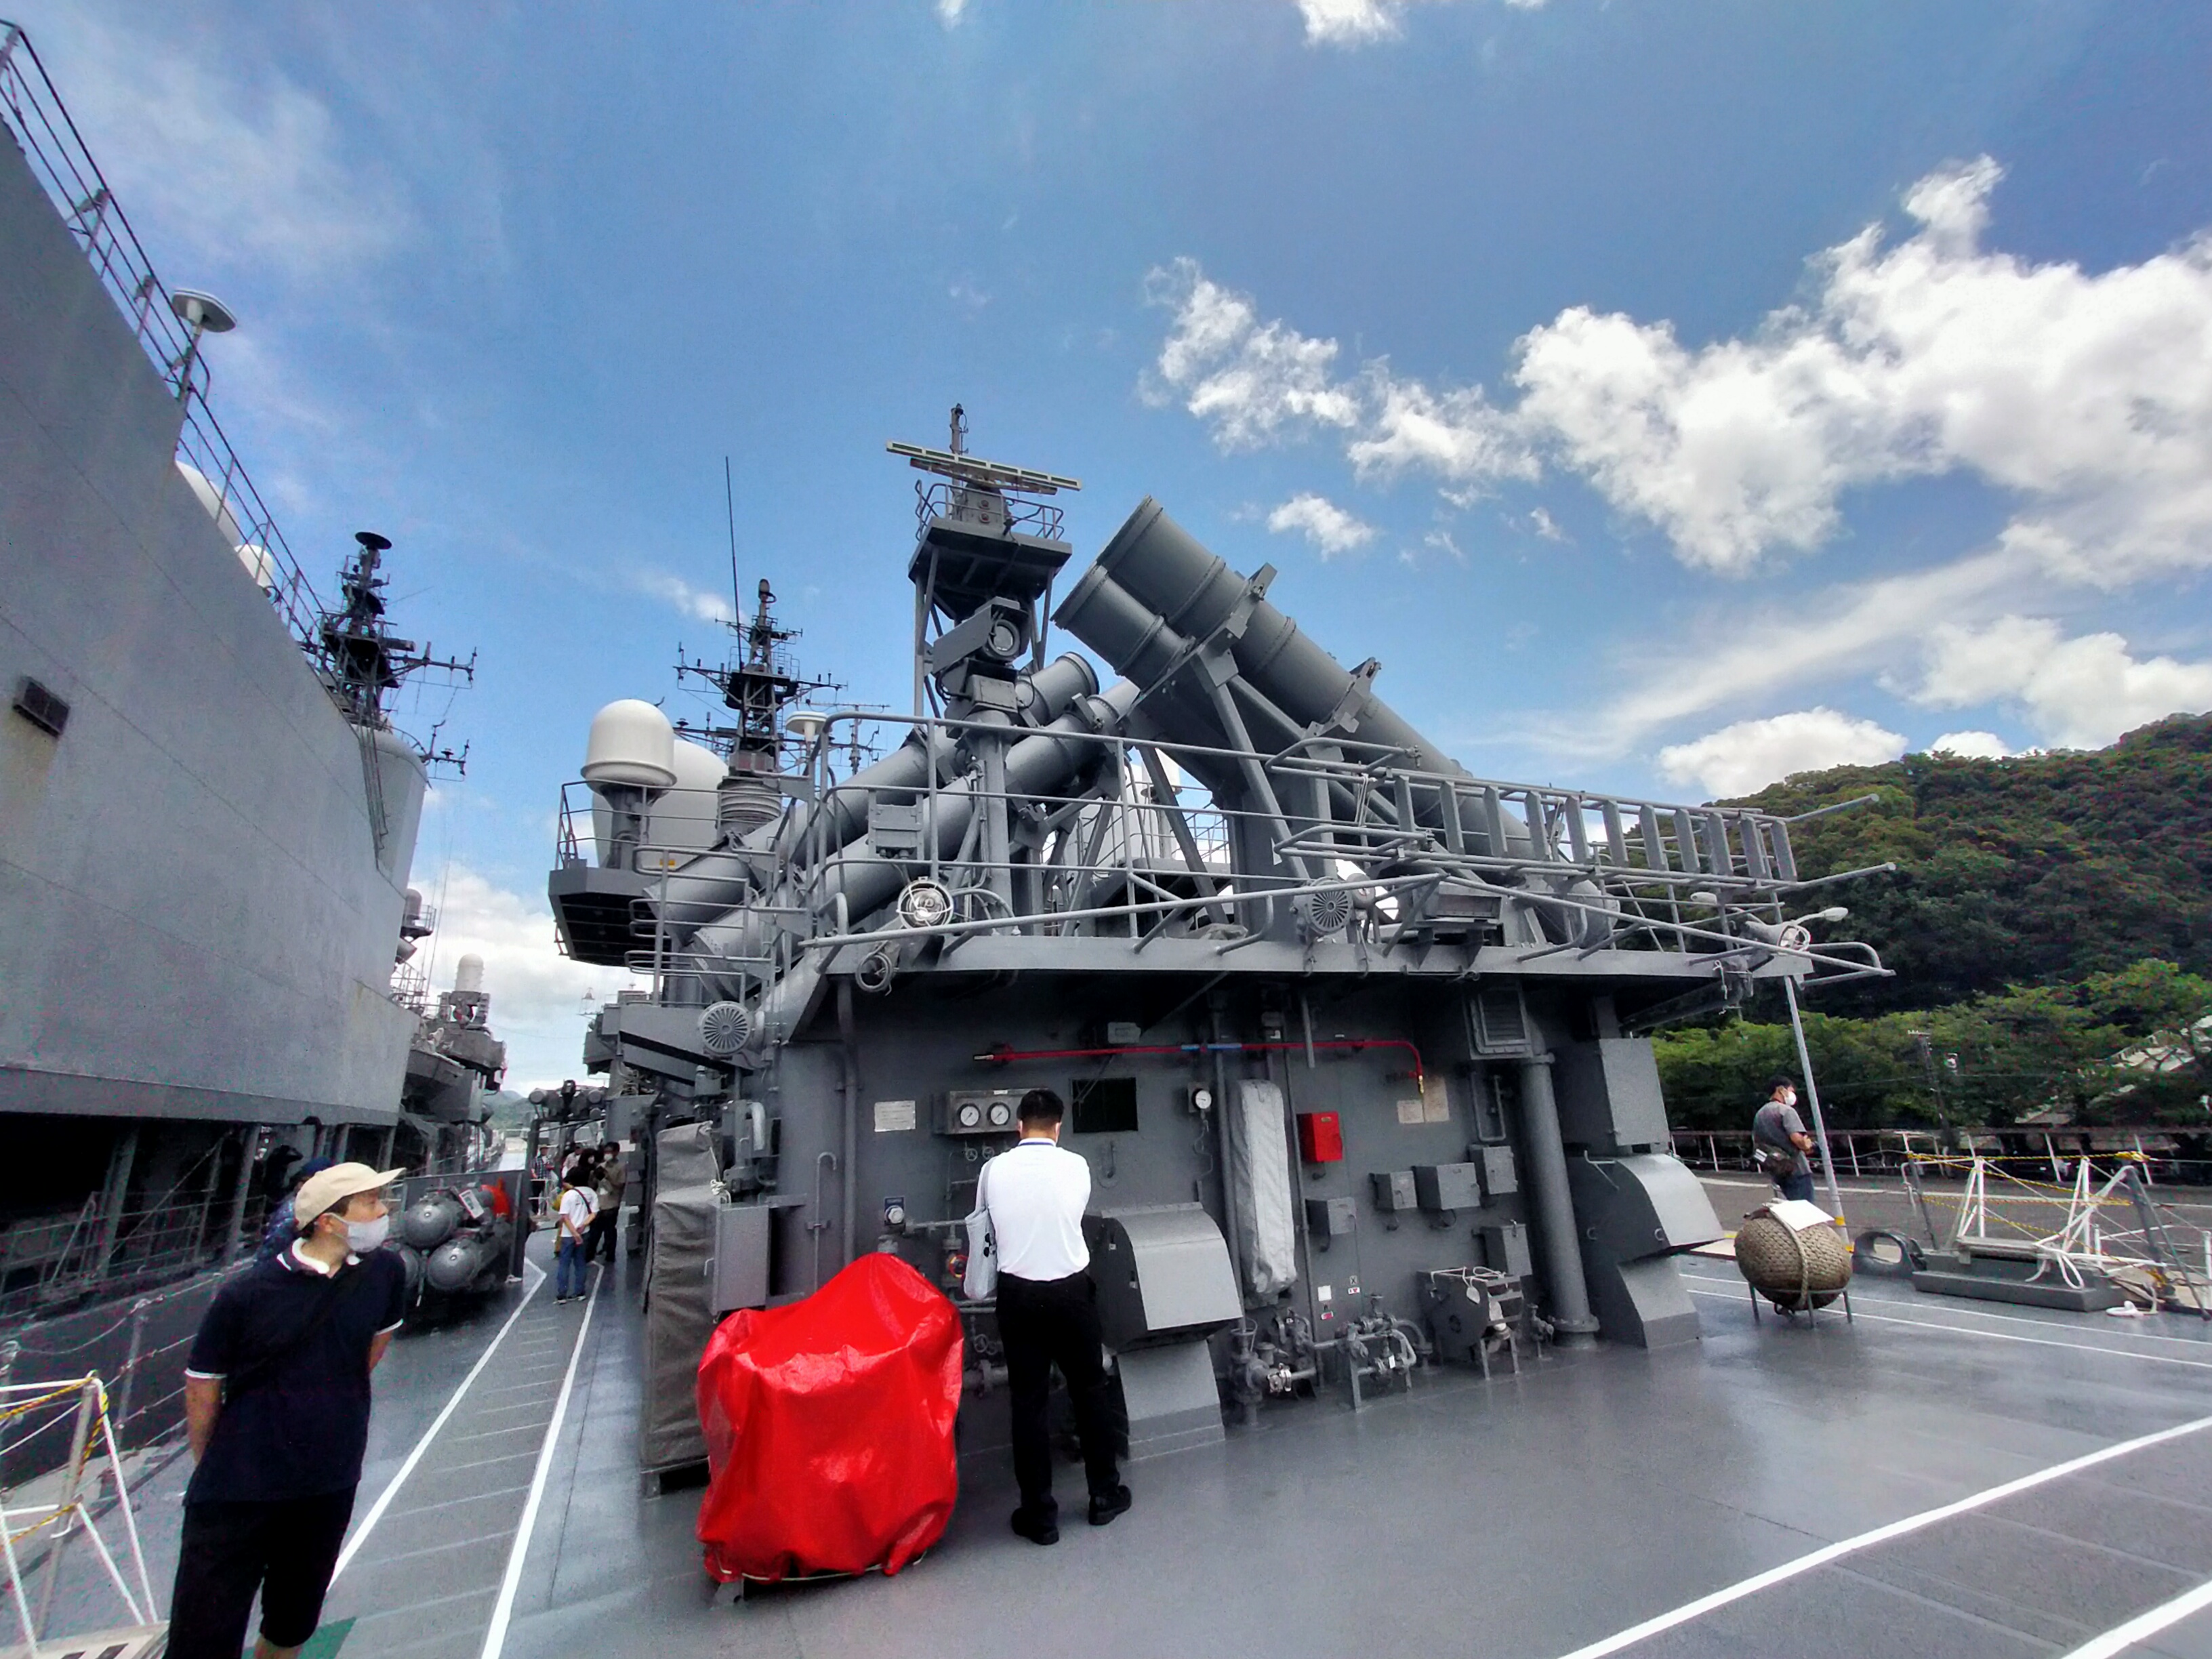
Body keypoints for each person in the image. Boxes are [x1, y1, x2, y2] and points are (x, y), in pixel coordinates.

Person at [169, 1162, 407, 1659]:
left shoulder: (385, 1273)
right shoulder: (246, 1295)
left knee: (292, 1625)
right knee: (202, 1638)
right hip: (239, 1490)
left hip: (326, 1485)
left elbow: (364, 1355)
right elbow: (203, 1386)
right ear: (329, 1221)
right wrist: (218, 1465)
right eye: (370, 1202)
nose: (383, 1210)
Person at [981, 1087, 1130, 1546]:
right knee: (1090, 1391)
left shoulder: (993, 1170)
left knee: (1028, 1402)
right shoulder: (1077, 1167)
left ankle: (1039, 1516)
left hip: (1019, 1295)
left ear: (1019, 1126)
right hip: (1071, 1293)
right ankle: (1104, 1495)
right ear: (1058, 1127)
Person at [1753, 1075, 1819, 1204]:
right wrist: (1810, 1145)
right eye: (1791, 1091)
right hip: (1796, 1169)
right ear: (1781, 1090)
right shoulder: (1786, 1111)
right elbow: (1798, 1140)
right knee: (1805, 1209)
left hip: (1777, 1168)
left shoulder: (1760, 1114)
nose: (1793, 1094)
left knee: (1789, 1207)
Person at [254, 1156, 333, 1263]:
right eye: (303, 1181)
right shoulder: (294, 1211)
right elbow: (271, 1250)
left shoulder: (321, 1208)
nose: (301, 1186)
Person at [554, 1162, 597, 1302]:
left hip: (568, 1234)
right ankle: (580, 1292)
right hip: (585, 1232)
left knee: (564, 1264)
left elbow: (565, 1217)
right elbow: (593, 1213)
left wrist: (574, 1233)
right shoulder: (591, 1193)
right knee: (580, 1262)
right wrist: (583, 1226)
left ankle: (562, 1294)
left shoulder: (569, 1195)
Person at [588, 1140, 626, 1265]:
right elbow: (593, 1185)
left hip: (612, 1202)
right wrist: (594, 1176)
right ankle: (590, 1254)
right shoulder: (601, 1166)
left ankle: (610, 1255)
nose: (607, 1154)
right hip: (599, 1202)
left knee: (609, 1231)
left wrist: (607, 1176)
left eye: (610, 1152)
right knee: (595, 1231)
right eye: (606, 1152)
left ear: (616, 1152)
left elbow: (620, 1185)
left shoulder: (621, 1167)